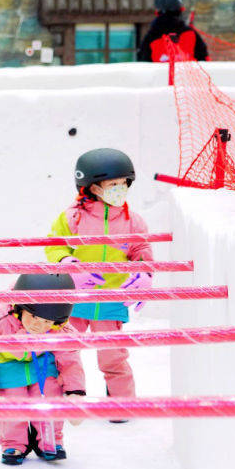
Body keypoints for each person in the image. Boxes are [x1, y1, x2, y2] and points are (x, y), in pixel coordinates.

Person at [44, 148, 154, 422]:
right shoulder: (73, 217)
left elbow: (141, 247)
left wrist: (143, 272)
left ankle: (121, 404)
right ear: (92, 187)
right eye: (113, 184)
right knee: (65, 350)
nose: (121, 189)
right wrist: (68, 266)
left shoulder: (132, 220)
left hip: (111, 298)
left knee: (113, 355)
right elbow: (54, 244)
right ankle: (64, 399)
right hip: (77, 299)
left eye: (123, 183)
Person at [0, 274, 83, 466]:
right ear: (19, 307)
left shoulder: (61, 329)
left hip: (43, 363)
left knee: (50, 396)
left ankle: (50, 440)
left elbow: (70, 359)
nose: (38, 325)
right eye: (33, 316)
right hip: (8, 366)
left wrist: (75, 392)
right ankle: (14, 443)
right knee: (12, 403)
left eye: (47, 322)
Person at [138, 0, 208, 62]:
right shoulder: (191, 33)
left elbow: (143, 63)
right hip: (188, 72)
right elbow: (204, 60)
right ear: (180, 10)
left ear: (157, 11)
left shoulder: (151, 36)